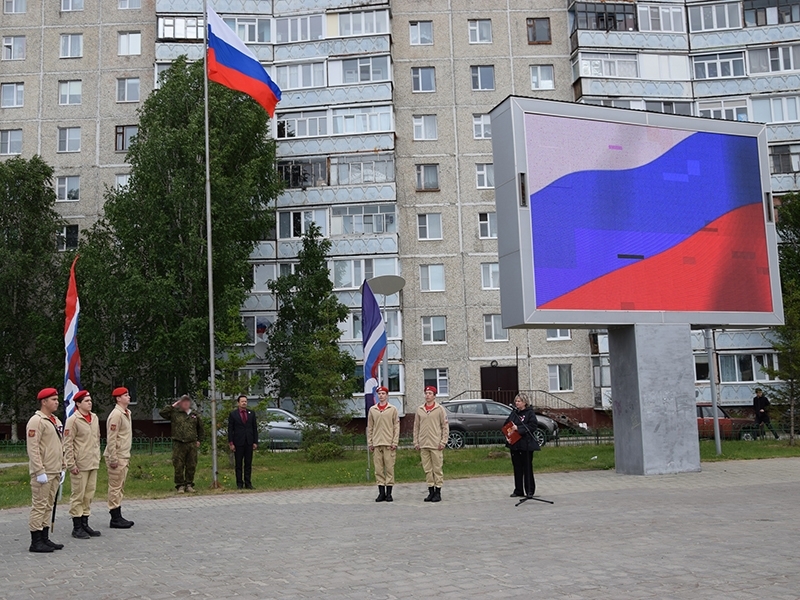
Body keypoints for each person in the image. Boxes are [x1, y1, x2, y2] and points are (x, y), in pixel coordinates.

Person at [26, 388, 66, 553]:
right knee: (39, 505)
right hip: (43, 472)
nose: (56, 402)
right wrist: (38, 470)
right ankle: (35, 541)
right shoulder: (37, 421)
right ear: (44, 402)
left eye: (57, 399)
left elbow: (60, 445)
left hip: (54, 470)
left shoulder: (55, 420)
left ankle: (44, 537)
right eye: (53, 399)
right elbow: (33, 448)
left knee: (49, 505)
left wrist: (63, 466)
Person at [63, 390, 102, 539]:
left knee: (89, 494)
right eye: (86, 401)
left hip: (92, 461)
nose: (90, 403)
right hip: (80, 463)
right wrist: (71, 464)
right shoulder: (73, 420)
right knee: (78, 495)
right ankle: (77, 526)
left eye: (90, 400)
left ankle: (85, 522)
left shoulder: (94, 417)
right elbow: (68, 443)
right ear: (78, 404)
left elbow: (97, 438)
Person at [160, 394, 204, 493]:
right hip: (178, 443)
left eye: (187, 401)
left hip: (191, 443)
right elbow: (162, 413)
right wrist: (173, 406)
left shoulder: (194, 415)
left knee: (191, 464)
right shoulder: (175, 413)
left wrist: (199, 440)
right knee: (178, 465)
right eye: (183, 401)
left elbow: (201, 428)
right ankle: (180, 485)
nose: (185, 403)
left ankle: (189, 484)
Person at [413, 386, 449, 503]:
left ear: (434, 395)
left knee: (437, 468)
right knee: (427, 469)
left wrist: (443, 441)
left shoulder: (439, 409)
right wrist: (416, 441)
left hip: (436, 444)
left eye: (430, 393)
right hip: (424, 443)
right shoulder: (420, 409)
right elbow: (416, 427)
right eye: (426, 393)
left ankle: (438, 491)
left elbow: (445, 426)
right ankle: (431, 491)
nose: (427, 395)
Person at [105, 387, 134, 529]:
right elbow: (112, 437)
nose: (129, 397)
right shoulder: (116, 414)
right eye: (125, 395)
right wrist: (113, 457)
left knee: (120, 486)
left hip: (124, 455)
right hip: (117, 455)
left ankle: (118, 514)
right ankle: (114, 517)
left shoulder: (127, 413)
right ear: (118, 398)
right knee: (115, 486)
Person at [504, 393, 541, 499]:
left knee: (527, 468)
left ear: (525, 402)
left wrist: (518, 429)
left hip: (526, 444)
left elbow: (532, 426)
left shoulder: (530, 413)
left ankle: (529, 490)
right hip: (515, 444)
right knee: (517, 467)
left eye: (519, 401)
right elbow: (507, 424)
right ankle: (518, 490)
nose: (517, 403)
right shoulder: (514, 413)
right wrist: (507, 434)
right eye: (516, 401)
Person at [367, 386, 400, 502]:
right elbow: (370, 427)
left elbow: (396, 426)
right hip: (377, 443)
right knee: (379, 469)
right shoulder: (373, 410)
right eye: (379, 393)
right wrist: (370, 442)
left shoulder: (393, 409)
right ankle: (381, 492)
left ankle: (389, 493)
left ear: (387, 395)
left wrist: (394, 442)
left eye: (383, 393)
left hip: (388, 443)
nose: (381, 395)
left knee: (389, 468)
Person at [227, 394, 257, 490]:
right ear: (238, 403)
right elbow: (230, 430)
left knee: (248, 464)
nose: (244, 403)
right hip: (238, 442)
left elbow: (254, 428)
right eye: (242, 401)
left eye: (245, 401)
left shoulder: (251, 413)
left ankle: (248, 483)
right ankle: (239, 483)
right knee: (238, 464)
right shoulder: (233, 414)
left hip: (249, 442)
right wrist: (231, 443)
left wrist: (255, 442)